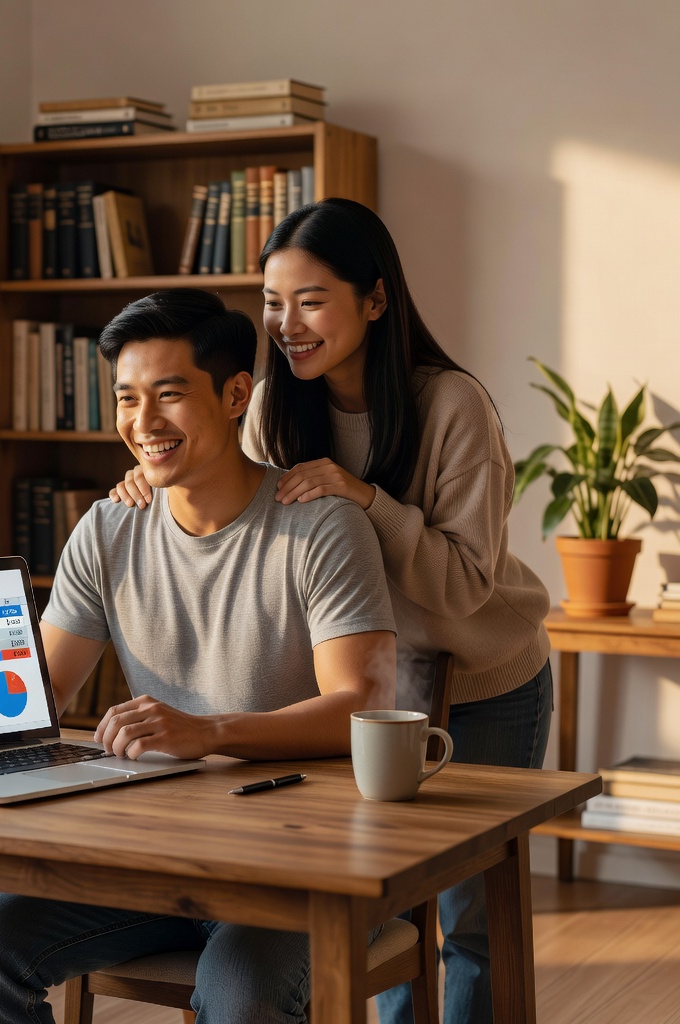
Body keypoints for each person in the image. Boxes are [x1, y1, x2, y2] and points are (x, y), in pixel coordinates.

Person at [109, 200, 554, 1024]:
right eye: (275, 303)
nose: (287, 323)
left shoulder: (453, 404)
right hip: (370, 687)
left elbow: (463, 587)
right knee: (379, 890)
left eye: (311, 300)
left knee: (467, 921)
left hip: (485, 677)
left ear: (375, 300)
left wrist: (366, 498)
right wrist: (152, 475)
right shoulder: (280, 402)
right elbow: (240, 500)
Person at [0, 288, 397, 1024]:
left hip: (304, 866)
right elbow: (38, 697)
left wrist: (209, 731)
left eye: (169, 396)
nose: (142, 424)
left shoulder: (323, 527)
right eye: (125, 399)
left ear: (236, 395)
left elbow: (364, 708)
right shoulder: (109, 528)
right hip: (152, 861)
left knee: (241, 989)